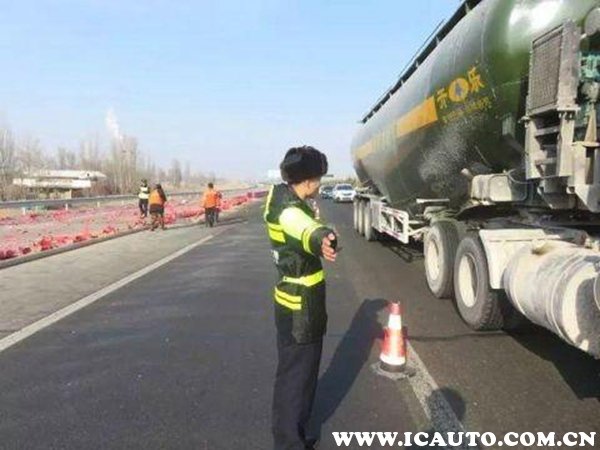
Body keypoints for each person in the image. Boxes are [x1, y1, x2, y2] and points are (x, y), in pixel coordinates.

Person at [264, 146, 338, 450]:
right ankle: (288, 443)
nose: (319, 184)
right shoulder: (290, 211)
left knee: (303, 377)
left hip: (298, 303)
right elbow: (305, 230)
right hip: (300, 310)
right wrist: (323, 239)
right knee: (295, 380)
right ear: (307, 180)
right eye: (318, 178)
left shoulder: (288, 199)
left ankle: (295, 433)